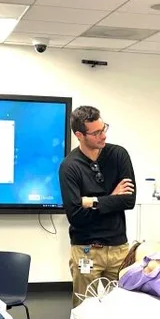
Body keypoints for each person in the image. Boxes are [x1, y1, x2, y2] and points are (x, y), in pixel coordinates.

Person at [59, 106, 136, 306]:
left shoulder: (119, 155)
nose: (103, 136)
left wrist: (90, 201)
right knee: (84, 311)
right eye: (96, 133)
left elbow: (128, 201)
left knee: (122, 308)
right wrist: (112, 198)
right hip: (86, 249)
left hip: (119, 248)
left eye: (104, 129)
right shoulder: (69, 167)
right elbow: (75, 216)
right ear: (79, 135)